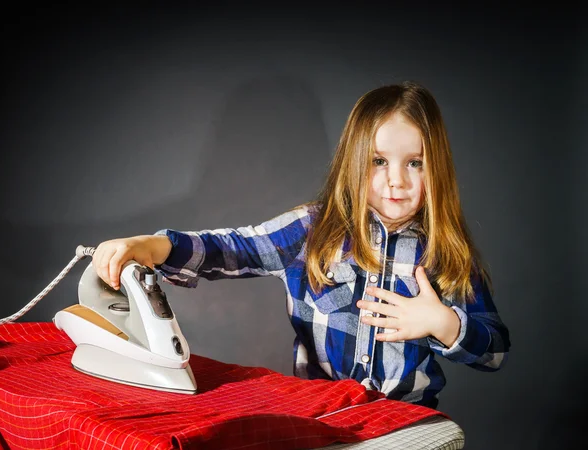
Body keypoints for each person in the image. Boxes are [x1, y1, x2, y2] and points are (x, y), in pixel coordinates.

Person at [93, 81, 510, 409]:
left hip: (407, 424)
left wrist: (445, 324)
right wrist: (156, 246)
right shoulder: (315, 229)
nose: (396, 179)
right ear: (354, 161)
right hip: (319, 416)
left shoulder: (446, 252)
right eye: (379, 161)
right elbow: (236, 248)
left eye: (414, 162)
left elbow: (495, 352)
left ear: (435, 167)